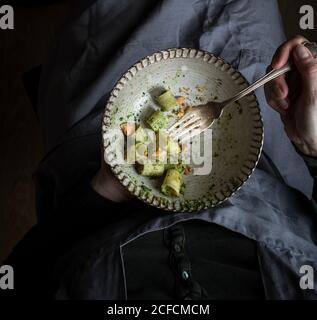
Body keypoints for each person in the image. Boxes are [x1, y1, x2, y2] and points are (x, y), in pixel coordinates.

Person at [2, 0, 317, 299]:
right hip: (266, 162)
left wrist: (103, 190)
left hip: (101, 168)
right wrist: (312, 148)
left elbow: (24, 274)